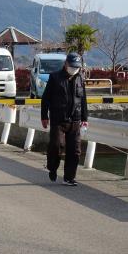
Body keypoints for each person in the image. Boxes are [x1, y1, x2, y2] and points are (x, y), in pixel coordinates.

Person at [41, 52, 88, 186]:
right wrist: (44, 116)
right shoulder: (55, 77)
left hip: (75, 119)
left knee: (75, 150)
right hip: (58, 119)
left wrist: (85, 117)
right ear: (66, 64)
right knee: (56, 146)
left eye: (77, 67)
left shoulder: (80, 78)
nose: (74, 69)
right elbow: (45, 99)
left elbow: (83, 99)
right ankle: (52, 168)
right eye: (72, 66)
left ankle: (69, 177)